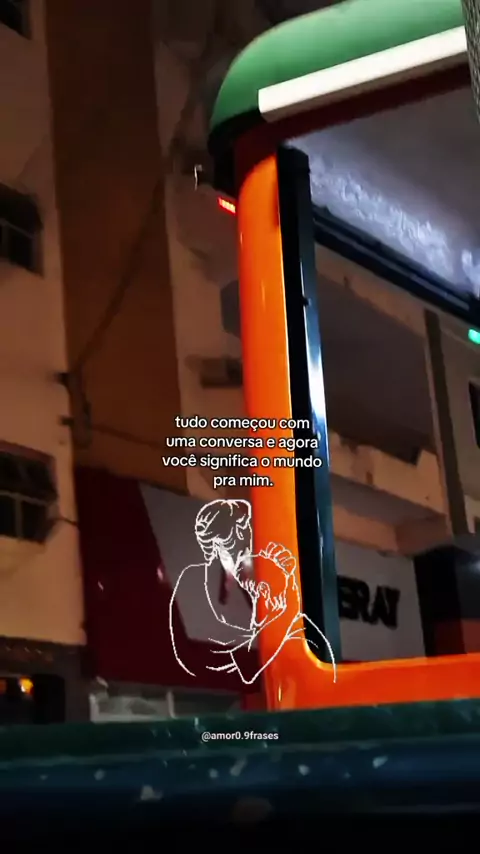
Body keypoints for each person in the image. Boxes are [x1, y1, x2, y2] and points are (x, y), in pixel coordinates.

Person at [169, 499, 336, 685]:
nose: (247, 534)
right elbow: (250, 664)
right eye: (240, 529)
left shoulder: (251, 573)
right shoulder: (198, 584)